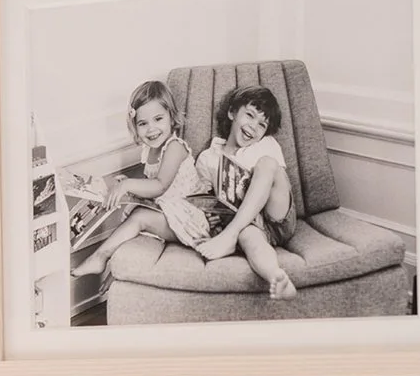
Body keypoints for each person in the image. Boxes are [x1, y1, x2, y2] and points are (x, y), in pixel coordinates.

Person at [70, 80, 203, 275]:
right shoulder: (149, 150)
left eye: (158, 119)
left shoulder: (174, 147)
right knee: (133, 209)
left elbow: (160, 186)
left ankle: (100, 257)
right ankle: (107, 264)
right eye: (143, 123)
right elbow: (150, 186)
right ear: (135, 125)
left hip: (190, 217)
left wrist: (129, 184)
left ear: (171, 117)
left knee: (139, 216)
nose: (151, 129)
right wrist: (128, 184)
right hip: (169, 211)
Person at [193, 85, 298, 301]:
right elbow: (204, 199)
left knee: (267, 164)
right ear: (232, 112)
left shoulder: (266, 144)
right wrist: (210, 216)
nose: (253, 127)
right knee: (250, 239)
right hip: (248, 225)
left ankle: (229, 236)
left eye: (262, 125)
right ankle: (277, 277)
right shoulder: (208, 157)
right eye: (249, 115)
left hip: (277, 215)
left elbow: (276, 181)